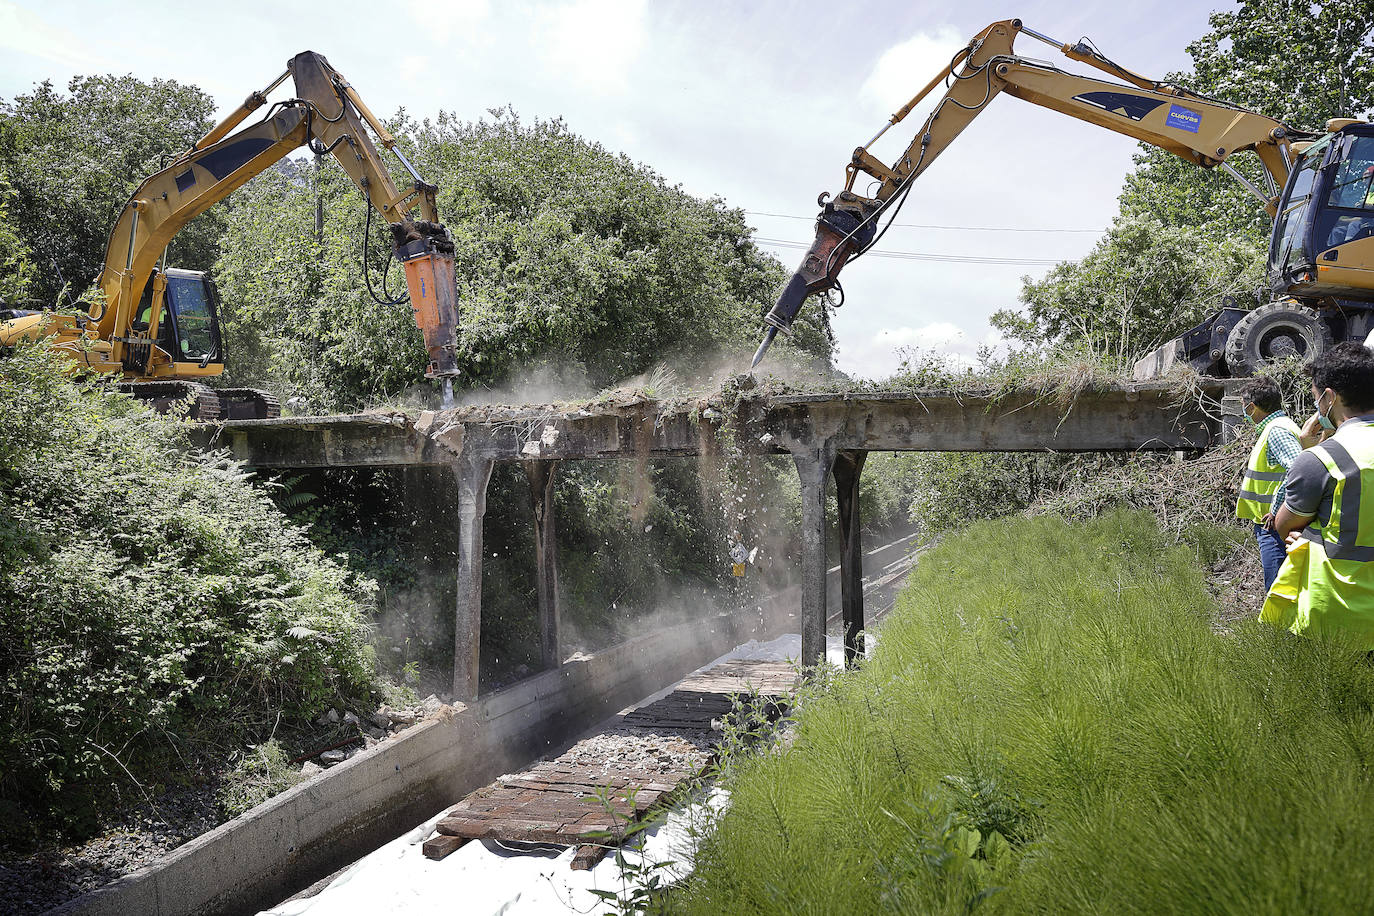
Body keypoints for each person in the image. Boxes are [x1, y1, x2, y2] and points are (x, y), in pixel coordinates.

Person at [1264, 342, 1374, 648]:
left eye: (1316, 399)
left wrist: (1310, 540)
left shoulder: (1321, 459)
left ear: (1328, 398)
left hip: (1338, 615)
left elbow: (1286, 526)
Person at [1234, 377, 1302, 591]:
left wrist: (1276, 509)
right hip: (1272, 522)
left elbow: (1297, 469)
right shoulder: (1276, 427)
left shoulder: (1277, 430)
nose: (1243, 411)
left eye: (1243, 406)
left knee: (1277, 589)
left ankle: (1279, 626)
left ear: (1252, 407)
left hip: (1274, 525)